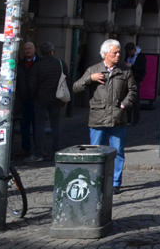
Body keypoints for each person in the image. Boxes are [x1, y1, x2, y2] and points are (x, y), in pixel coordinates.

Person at [72, 39, 138, 193]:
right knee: (95, 152)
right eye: (115, 52)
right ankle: (95, 180)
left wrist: (125, 104)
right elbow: (76, 87)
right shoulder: (93, 70)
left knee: (118, 152)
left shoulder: (125, 71)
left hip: (117, 117)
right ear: (105, 54)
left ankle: (115, 183)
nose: (118, 55)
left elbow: (133, 90)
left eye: (119, 52)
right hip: (98, 118)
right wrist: (90, 79)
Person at [30, 42, 65, 161]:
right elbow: (66, 80)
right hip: (57, 98)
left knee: (39, 126)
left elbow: (32, 84)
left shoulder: (38, 65)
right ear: (52, 51)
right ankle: (56, 150)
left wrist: (33, 96)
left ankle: (39, 152)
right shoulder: (60, 63)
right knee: (56, 125)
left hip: (41, 98)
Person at [16, 41, 38, 159]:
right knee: (24, 126)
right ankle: (25, 148)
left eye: (30, 48)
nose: (27, 51)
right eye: (25, 49)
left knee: (37, 126)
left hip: (37, 100)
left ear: (34, 49)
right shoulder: (20, 64)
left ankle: (38, 149)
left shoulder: (39, 62)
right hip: (23, 100)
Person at [124, 42, 146, 124]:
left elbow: (142, 68)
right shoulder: (128, 56)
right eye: (128, 52)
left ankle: (135, 120)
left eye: (130, 52)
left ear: (134, 50)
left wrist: (131, 66)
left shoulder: (140, 57)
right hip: (127, 79)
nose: (129, 53)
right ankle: (129, 119)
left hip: (136, 79)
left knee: (135, 100)